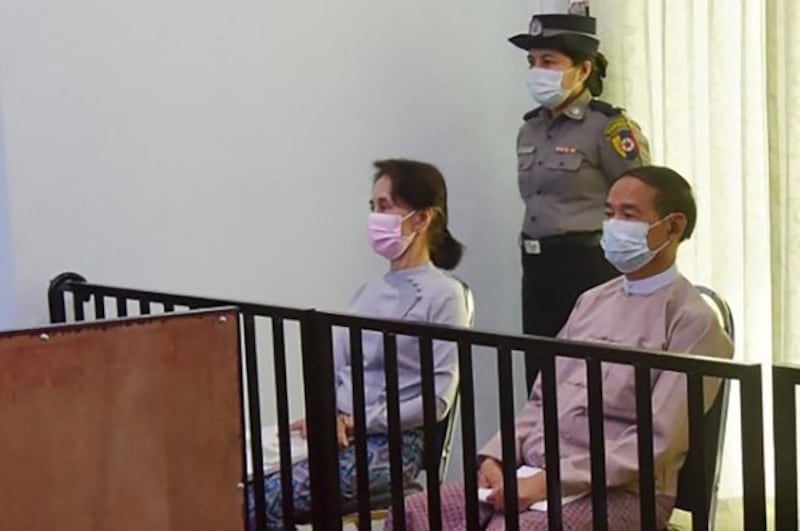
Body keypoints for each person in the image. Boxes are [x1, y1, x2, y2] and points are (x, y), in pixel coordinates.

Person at [391, 166, 734, 530]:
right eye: (609, 213)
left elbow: (657, 441)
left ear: (674, 227)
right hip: (535, 470)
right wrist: (496, 459)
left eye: (629, 215)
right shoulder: (592, 301)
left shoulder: (693, 322)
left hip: (625, 492)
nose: (614, 225)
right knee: (413, 513)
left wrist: (548, 483)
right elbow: (542, 398)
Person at [248, 159, 471, 529]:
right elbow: (335, 372)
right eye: (373, 207)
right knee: (229, 477)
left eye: (385, 206)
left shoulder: (446, 296)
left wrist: (359, 423)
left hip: (394, 445)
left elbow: (438, 400)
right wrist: (330, 417)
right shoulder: (365, 293)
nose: (375, 217)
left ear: (421, 219)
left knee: (262, 499)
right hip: (338, 433)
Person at [510, 11, 651, 390]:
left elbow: (643, 198)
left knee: (589, 380)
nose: (537, 71)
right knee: (540, 377)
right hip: (538, 266)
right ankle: (542, 450)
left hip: (588, 267)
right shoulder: (530, 129)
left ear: (583, 69)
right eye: (532, 62)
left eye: (549, 62)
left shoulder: (609, 128)